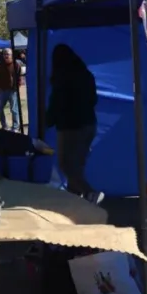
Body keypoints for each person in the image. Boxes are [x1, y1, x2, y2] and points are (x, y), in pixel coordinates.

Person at [46, 43, 101, 204]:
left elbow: (57, 104)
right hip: (89, 124)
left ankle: (90, 193)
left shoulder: (62, 79)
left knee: (66, 165)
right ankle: (74, 200)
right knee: (78, 165)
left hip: (70, 127)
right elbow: (93, 100)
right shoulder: (86, 75)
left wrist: (48, 120)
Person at [0, 48, 23, 132]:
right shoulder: (0, 65)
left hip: (12, 91)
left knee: (14, 110)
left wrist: (17, 87)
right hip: (1, 91)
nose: (6, 56)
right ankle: (4, 126)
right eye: (4, 54)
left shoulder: (16, 65)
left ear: (11, 55)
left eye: (8, 54)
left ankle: (15, 127)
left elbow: (19, 78)